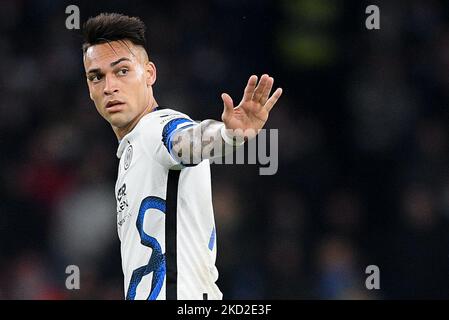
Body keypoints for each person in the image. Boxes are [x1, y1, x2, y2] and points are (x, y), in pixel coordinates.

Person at [82, 12, 282, 300]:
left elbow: (186, 139)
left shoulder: (156, 127)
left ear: (149, 73)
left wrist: (228, 135)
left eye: (122, 71)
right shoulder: (131, 150)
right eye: (96, 76)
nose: (109, 86)